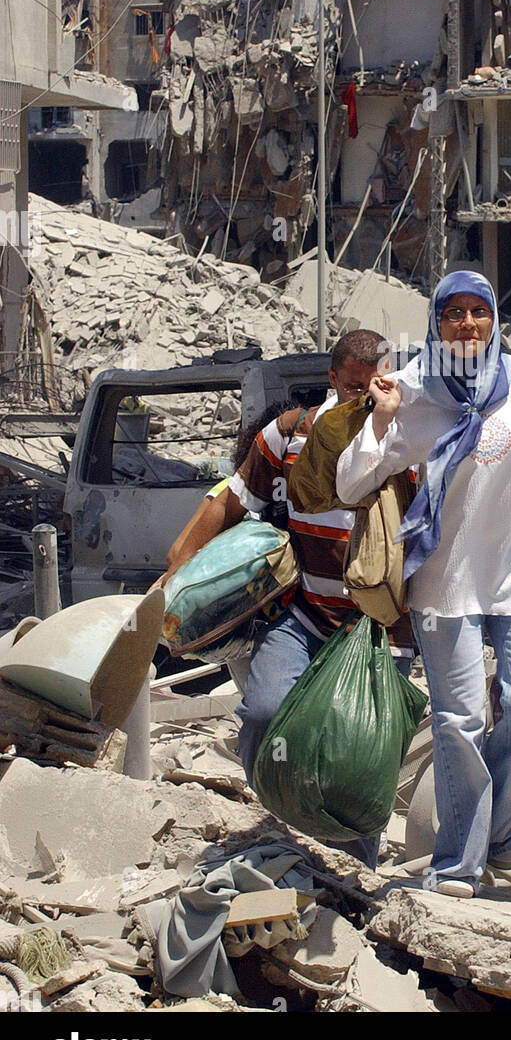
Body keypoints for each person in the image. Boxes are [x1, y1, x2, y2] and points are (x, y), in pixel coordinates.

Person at [336, 271, 511, 897]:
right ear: (438, 323)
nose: (469, 324)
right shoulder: (413, 390)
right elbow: (349, 484)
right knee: (460, 720)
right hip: (445, 583)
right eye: (455, 313)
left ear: (495, 318)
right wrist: (379, 420)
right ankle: (459, 861)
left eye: (480, 311)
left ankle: (497, 829)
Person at [162, 328, 414, 867]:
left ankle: (353, 874)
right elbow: (235, 498)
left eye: (376, 388)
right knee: (265, 712)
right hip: (304, 615)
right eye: (354, 389)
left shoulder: (408, 439)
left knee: (359, 753)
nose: (366, 400)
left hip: (378, 631)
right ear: (332, 380)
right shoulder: (291, 435)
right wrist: (180, 565)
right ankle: (282, 821)